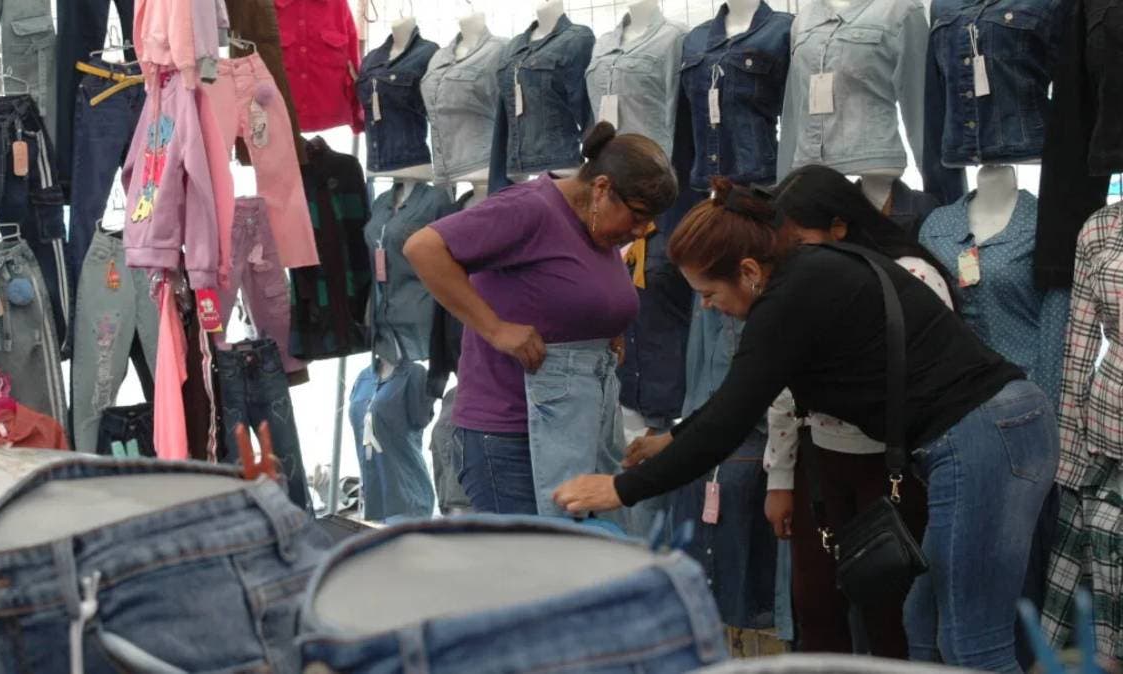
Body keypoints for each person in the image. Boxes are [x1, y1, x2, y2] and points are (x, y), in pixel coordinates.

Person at [553, 177, 1059, 673]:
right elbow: (739, 398)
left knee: (973, 643)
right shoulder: (804, 276)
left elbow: (730, 420)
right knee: (921, 624)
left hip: (988, 435)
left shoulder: (791, 297)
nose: (706, 306)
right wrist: (672, 440)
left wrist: (620, 489)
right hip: (987, 433)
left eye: (708, 292)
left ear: (748, 270)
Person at [404, 121, 678, 514]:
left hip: (574, 429)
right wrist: (494, 328)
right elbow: (423, 247)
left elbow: (560, 294)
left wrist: (604, 330)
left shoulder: (596, 228)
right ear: (601, 189)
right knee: (532, 570)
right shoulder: (529, 208)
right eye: (636, 216)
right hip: (509, 436)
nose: (639, 231)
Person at [760, 166, 955, 658]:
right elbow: (780, 381)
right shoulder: (795, 281)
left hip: (893, 467)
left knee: (892, 610)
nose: (794, 256)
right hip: (818, 463)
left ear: (840, 227)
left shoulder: (912, 275)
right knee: (815, 604)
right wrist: (779, 477)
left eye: (801, 241)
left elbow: (935, 379)